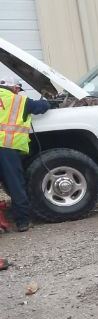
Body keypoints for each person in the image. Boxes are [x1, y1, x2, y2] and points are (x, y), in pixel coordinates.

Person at [0, 78, 51, 232]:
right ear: (14, 88)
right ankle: (22, 222)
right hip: (6, 148)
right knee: (15, 184)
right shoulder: (18, 100)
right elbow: (42, 106)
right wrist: (48, 100)